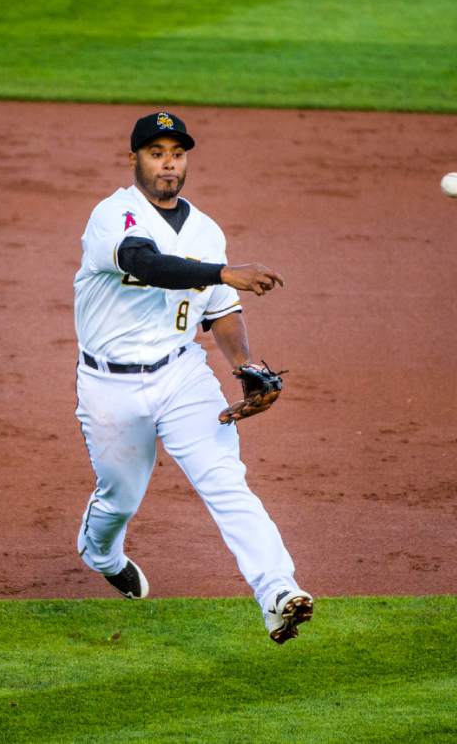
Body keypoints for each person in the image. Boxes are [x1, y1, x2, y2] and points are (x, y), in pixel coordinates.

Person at [74, 110, 313, 644]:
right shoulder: (113, 217)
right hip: (109, 385)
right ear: (134, 158)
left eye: (176, 154)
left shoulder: (205, 229)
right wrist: (225, 271)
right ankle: (101, 553)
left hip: (182, 374)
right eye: (156, 153)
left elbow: (220, 310)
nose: (168, 164)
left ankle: (277, 592)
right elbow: (148, 263)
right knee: (120, 497)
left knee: (226, 482)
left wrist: (242, 365)